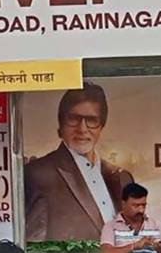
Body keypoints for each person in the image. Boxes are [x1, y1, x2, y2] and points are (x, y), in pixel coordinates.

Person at [24, 83, 135, 240]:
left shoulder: (123, 178)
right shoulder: (37, 174)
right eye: (74, 119)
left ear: (101, 127)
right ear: (61, 125)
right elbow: (34, 244)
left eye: (91, 120)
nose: (82, 129)